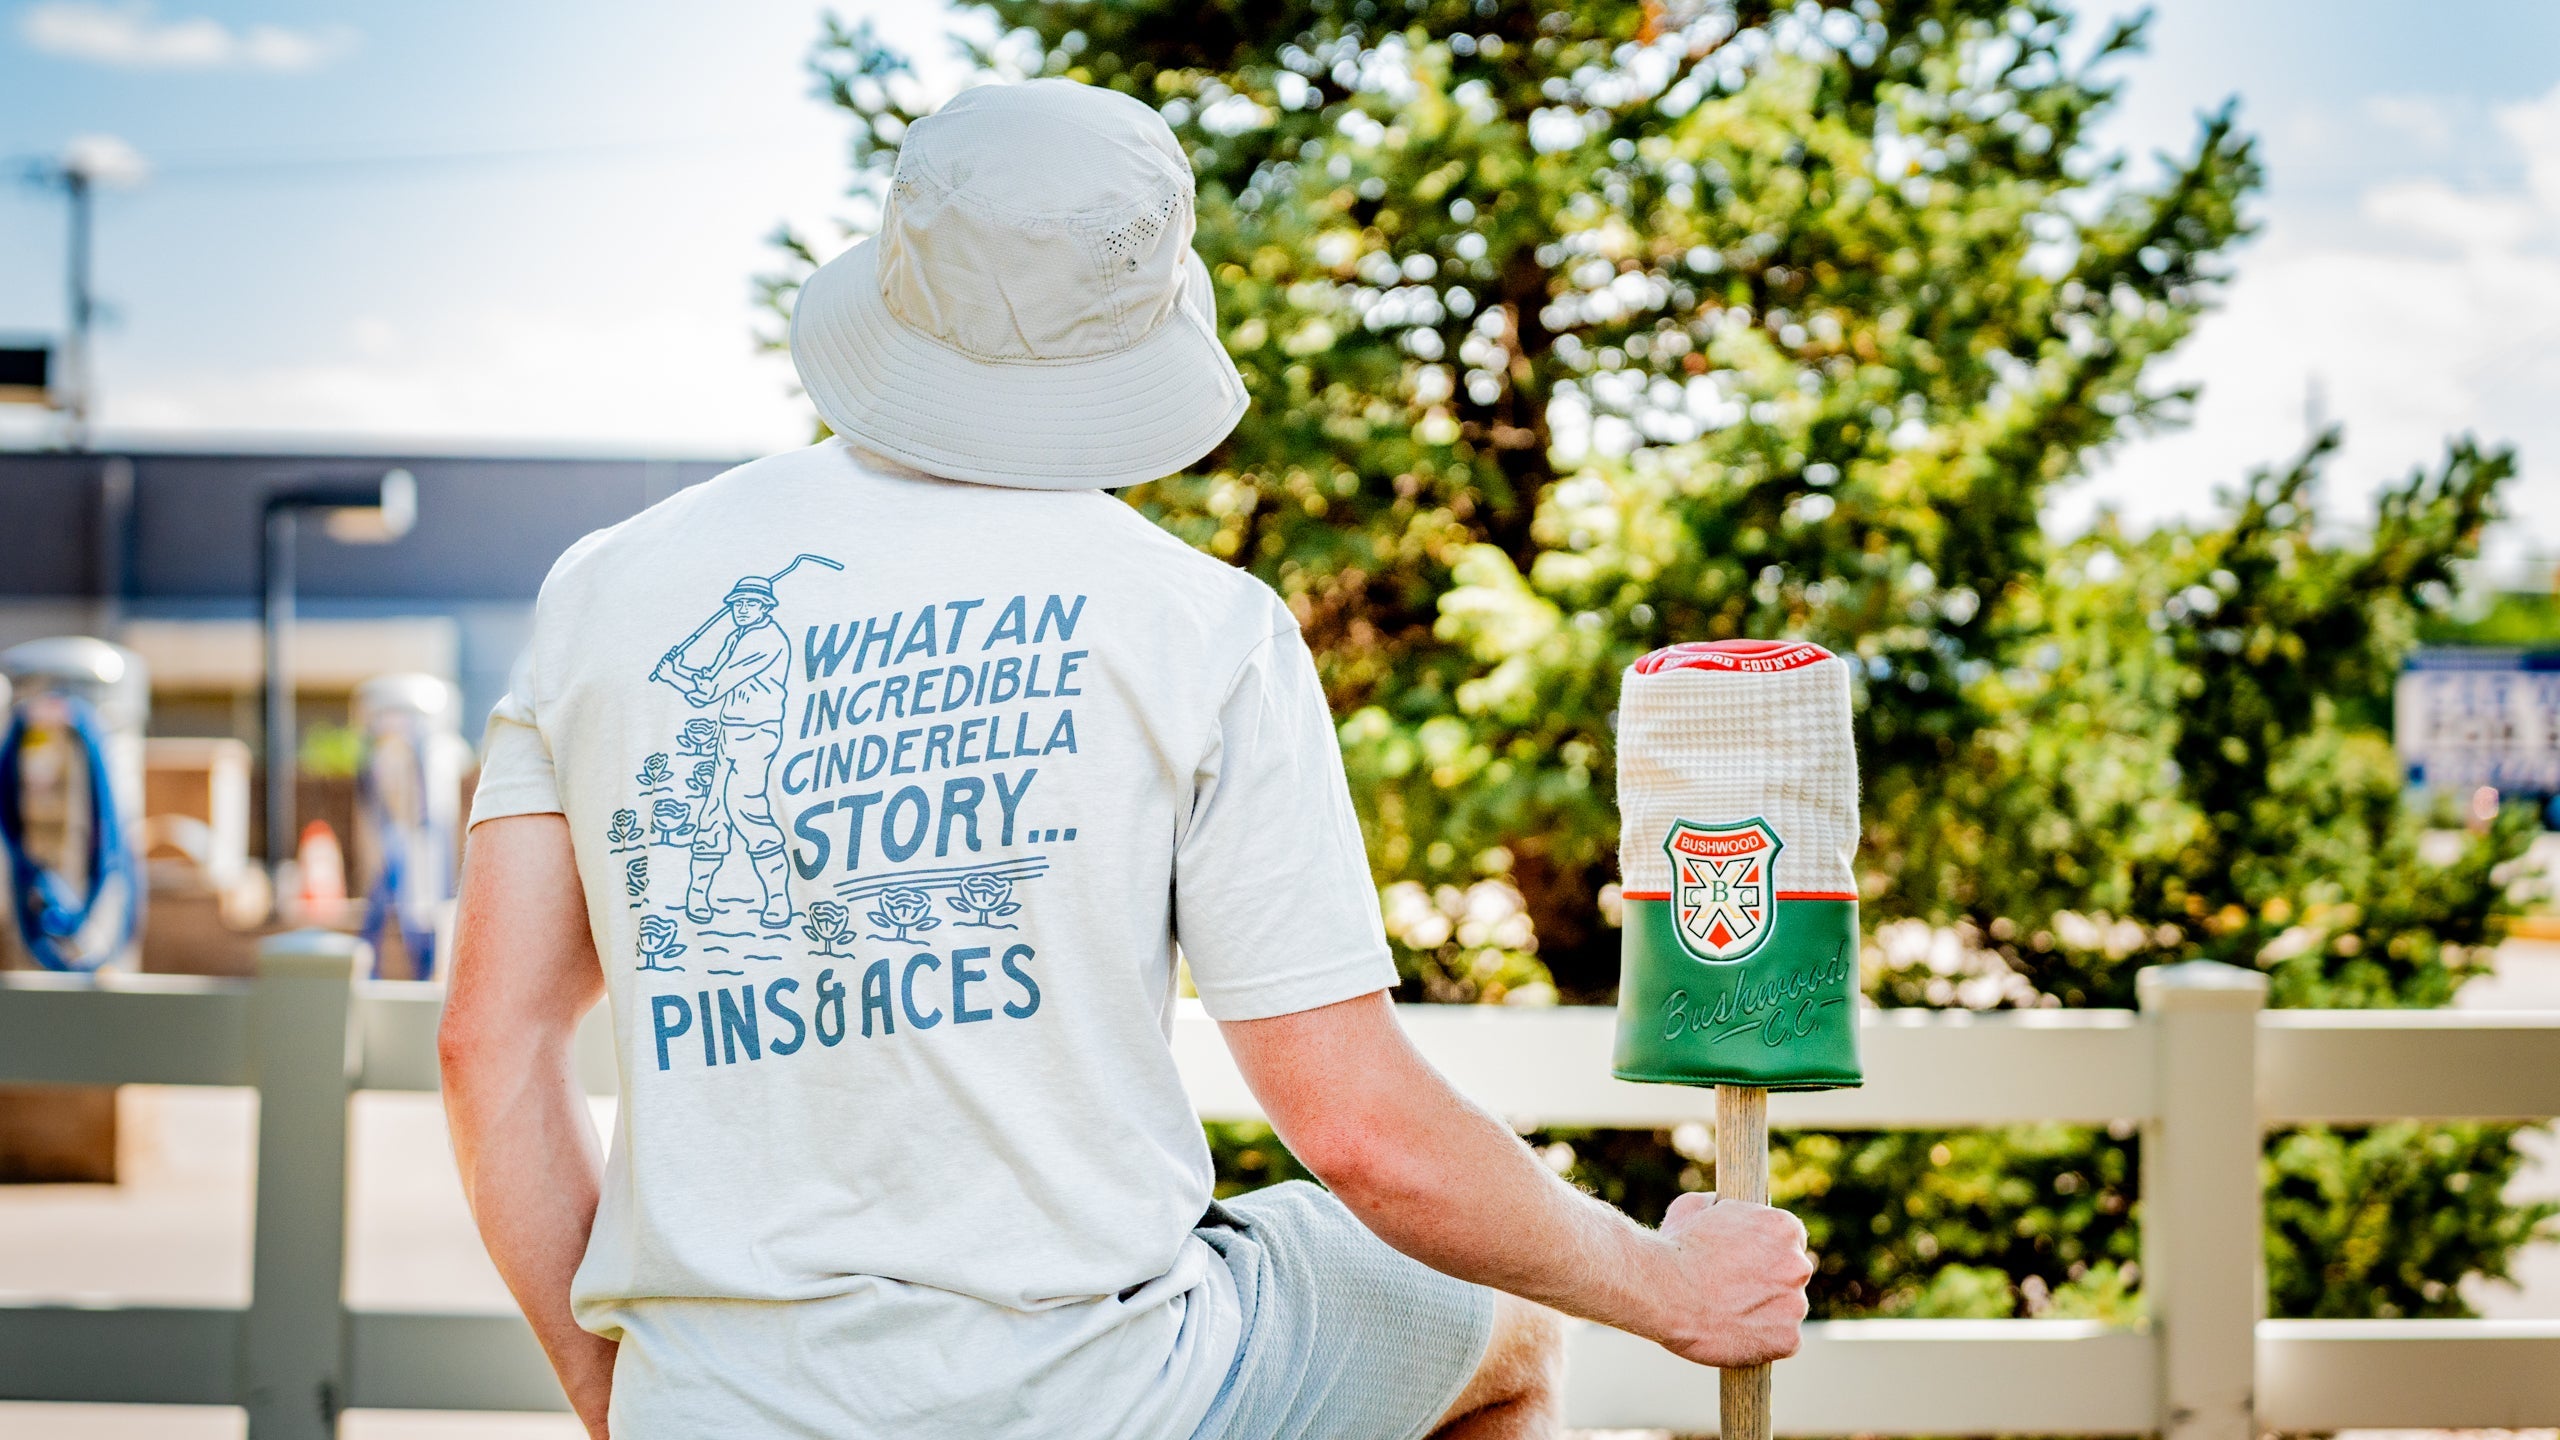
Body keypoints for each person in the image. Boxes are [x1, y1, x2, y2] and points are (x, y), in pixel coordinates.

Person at [440, 78, 1812, 1440]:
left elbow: (487, 1044)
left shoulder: (607, 590)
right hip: (1096, 1404)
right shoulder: (1196, 625)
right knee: (1507, 1334)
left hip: (719, 1409)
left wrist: (618, 1395)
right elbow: (1363, 1137)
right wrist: (1671, 1285)